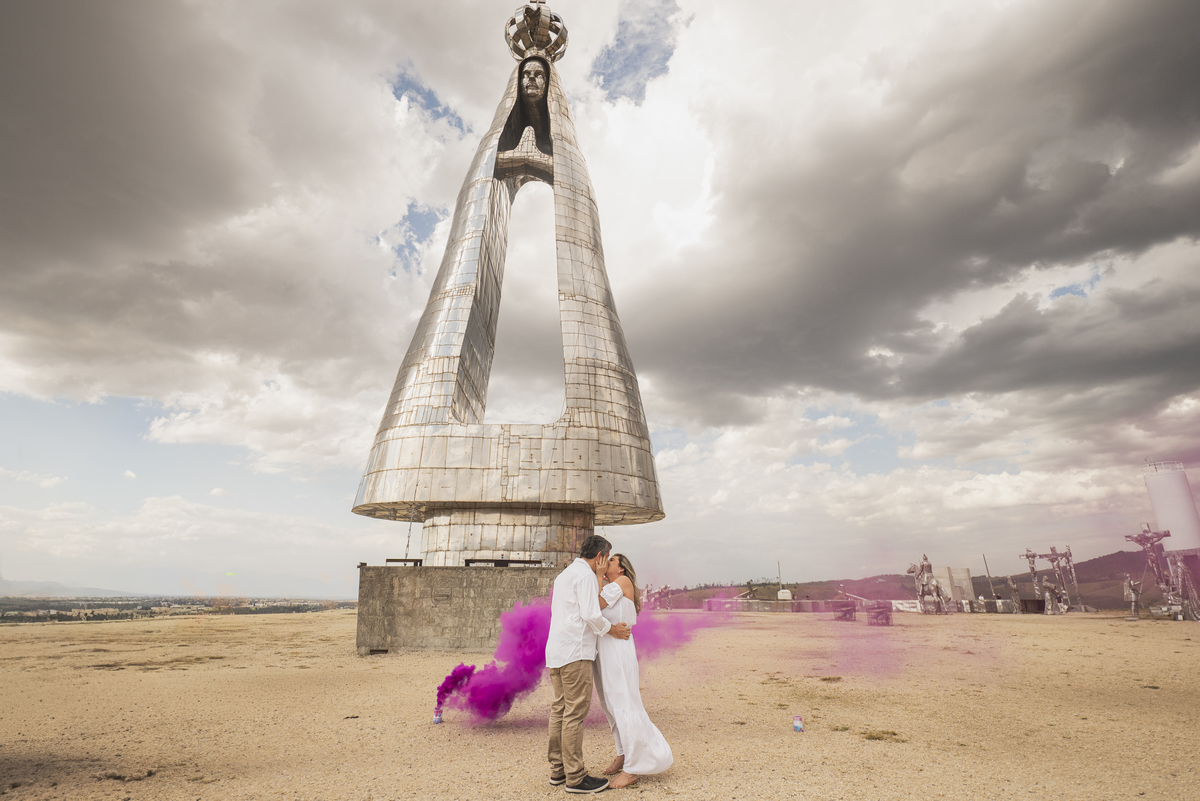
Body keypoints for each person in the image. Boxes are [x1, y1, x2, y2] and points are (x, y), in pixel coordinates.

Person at [546, 535, 630, 794]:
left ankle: (558, 770)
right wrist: (612, 630)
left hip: (556, 652)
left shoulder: (565, 575)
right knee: (574, 714)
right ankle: (576, 777)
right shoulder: (585, 576)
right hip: (576, 652)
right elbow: (591, 613)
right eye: (607, 557)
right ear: (600, 556)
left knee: (559, 711)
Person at [594, 553, 673, 789]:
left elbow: (595, 604)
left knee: (623, 703)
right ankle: (623, 753)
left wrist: (598, 575)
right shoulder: (609, 585)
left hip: (618, 650)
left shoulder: (623, 581)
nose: (606, 561)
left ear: (621, 568)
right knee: (610, 705)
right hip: (605, 650)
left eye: (612, 560)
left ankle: (633, 767)